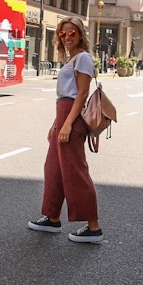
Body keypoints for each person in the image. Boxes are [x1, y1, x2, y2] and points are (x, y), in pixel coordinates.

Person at [28, 16, 103, 244]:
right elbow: (65, 96)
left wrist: (68, 123)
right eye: (63, 33)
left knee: (74, 170)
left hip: (71, 115)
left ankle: (93, 227)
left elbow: (81, 94)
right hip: (63, 113)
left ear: (80, 34)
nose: (67, 37)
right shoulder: (71, 60)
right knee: (54, 168)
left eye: (72, 33)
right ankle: (52, 218)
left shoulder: (83, 58)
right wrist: (56, 123)